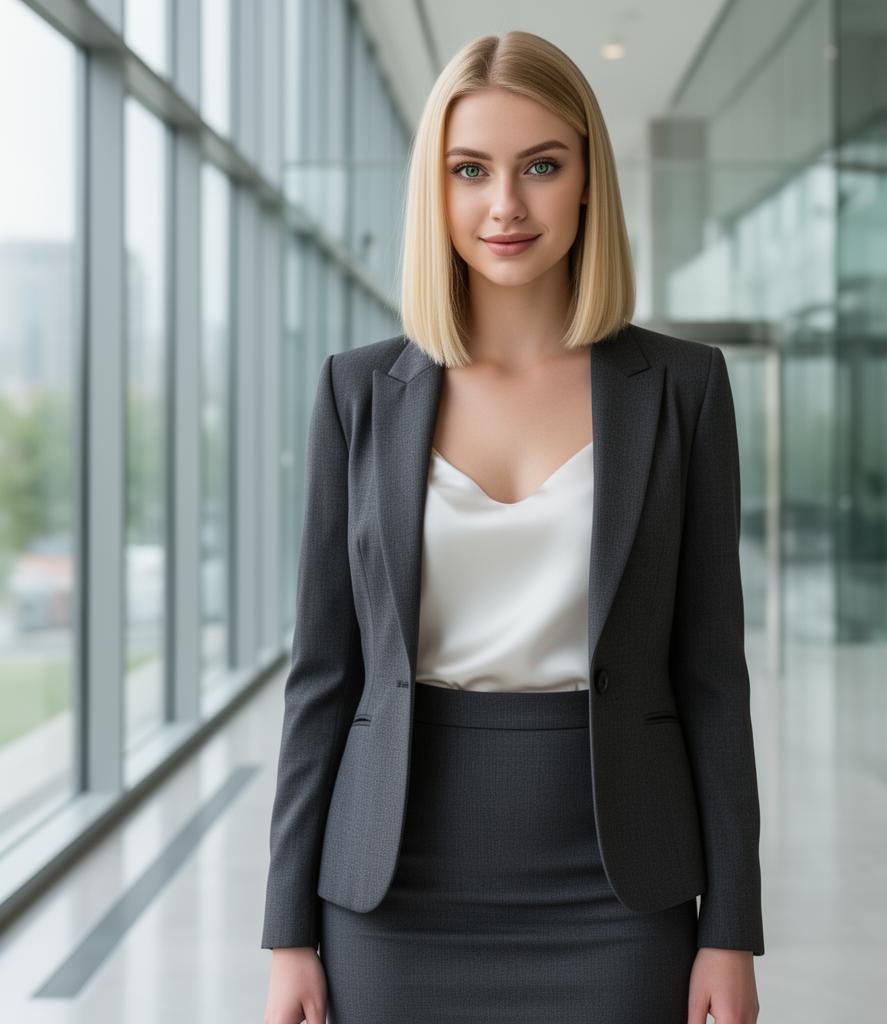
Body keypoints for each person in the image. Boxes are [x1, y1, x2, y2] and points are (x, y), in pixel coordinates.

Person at [261, 29, 764, 1024]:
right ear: (434, 192)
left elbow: (712, 677)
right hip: (393, 884)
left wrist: (731, 928)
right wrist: (286, 935)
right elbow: (323, 675)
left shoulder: (682, 388)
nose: (505, 205)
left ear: (588, 182)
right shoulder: (357, 391)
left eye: (541, 165)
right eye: (469, 170)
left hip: (619, 885)